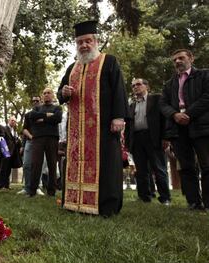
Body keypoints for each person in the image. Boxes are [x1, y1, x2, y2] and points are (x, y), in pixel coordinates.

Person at [57, 20, 129, 217]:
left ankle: (107, 206)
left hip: (104, 127)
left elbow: (119, 91)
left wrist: (119, 116)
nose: (84, 45)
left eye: (88, 41)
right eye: (80, 42)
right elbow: (60, 95)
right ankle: (74, 202)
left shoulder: (109, 61)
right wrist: (63, 92)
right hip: (77, 131)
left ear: (96, 42)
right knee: (75, 162)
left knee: (107, 165)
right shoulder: (72, 68)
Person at [159, 49, 209, 210]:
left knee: (206, 164)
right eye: (174, 60)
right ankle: (194, 202)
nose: (177, 62)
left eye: (181, 58)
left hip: (201, 126)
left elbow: (207, 97)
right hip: (178, 129)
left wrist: (188, 114)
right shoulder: (169, 84)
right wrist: (174, 115)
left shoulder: (204, 75)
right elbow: (163, 104)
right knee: (186, 166)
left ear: (191, 58)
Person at [125, 78, 171, 205]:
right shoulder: (131, 105)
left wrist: (166, 137)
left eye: (138, 84)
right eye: (133, 85)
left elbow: (165, 119)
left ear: (147, 86)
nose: (135, 87)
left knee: (159, 168)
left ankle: (165, 198)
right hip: (137, 139)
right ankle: (144, 197)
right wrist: (128, 144)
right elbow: (128, 126)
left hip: (154, 138)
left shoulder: (156, 99)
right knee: (141, 170)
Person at [28, 88, 62, 197]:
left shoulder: (57, 108)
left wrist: (41, 119)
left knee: (52, 164)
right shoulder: (37, 107)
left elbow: (58, 118)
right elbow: (32, 116)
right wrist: (47, 116)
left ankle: (51, 191)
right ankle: (32, 191)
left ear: (53, 95)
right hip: (38, 138)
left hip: (52, 138)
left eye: (49, 93)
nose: (46, 95)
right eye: (44, 93)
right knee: (36, 163)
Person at [17, 96, 45, 196]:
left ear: (41, 101)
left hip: (41, 143)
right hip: (30, 142)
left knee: (38, 165)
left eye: (37, 100)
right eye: (33, 101)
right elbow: (24, 129)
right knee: (27, 165)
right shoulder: (28, 115)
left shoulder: (44, 114)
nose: (35, 102)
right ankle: (27, 187)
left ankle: (37, 187)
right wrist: (30, 137)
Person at [0, 116, 22, 189]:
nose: (13, 122)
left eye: (14, 121)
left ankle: (6, 185)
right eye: (12, 120)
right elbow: (2, 139)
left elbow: (16, 140)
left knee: (8, 169)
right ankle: (0, 185)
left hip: (13, 153)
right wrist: (5, 150)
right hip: (5, 151)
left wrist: (19, 144)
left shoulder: (14, 131)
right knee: (3, 169)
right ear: (9, 121)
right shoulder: (4, 128)